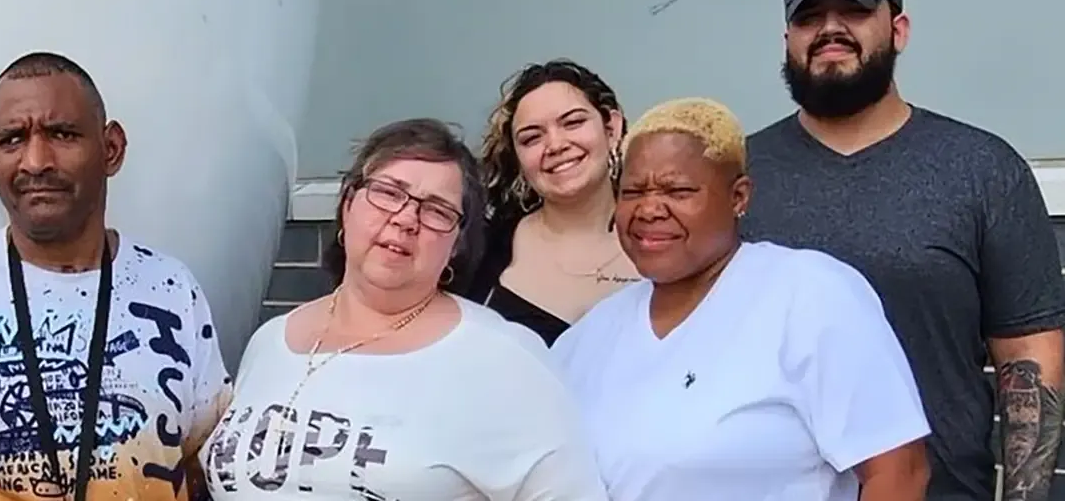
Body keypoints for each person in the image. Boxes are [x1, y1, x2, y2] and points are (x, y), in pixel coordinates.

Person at [741, 0, 1065, 501]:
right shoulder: (739, 176)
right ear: (787, 40)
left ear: (899, 29)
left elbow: (1028, 355)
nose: (830, 28)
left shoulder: (981, 168)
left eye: (854, 10)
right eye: (810, 16)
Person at [0, 52, 230, 501]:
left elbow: (202, 466)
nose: (35, 161)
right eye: (12, 139)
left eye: (62, 134)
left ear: (112, 149)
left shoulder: (171, 288)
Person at [204, 118, 608, 500]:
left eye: (436, 210)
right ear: (347, 205)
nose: (406, 219)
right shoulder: (272, 342)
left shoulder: (502, 358)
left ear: (457, 245)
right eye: (389, 192)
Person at [551, 97, 930, 501]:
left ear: (738, 198)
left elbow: (899, 473)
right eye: (632, 191)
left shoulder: (809, 294)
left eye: (677, 191)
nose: (649, 209)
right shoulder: (586, 340)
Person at [460, 59, 640, 345]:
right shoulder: (480, 252)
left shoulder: (671, 234)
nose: (555, 145)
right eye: (532, 138)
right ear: (518, 157)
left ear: (611, 128)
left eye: (573, 122)